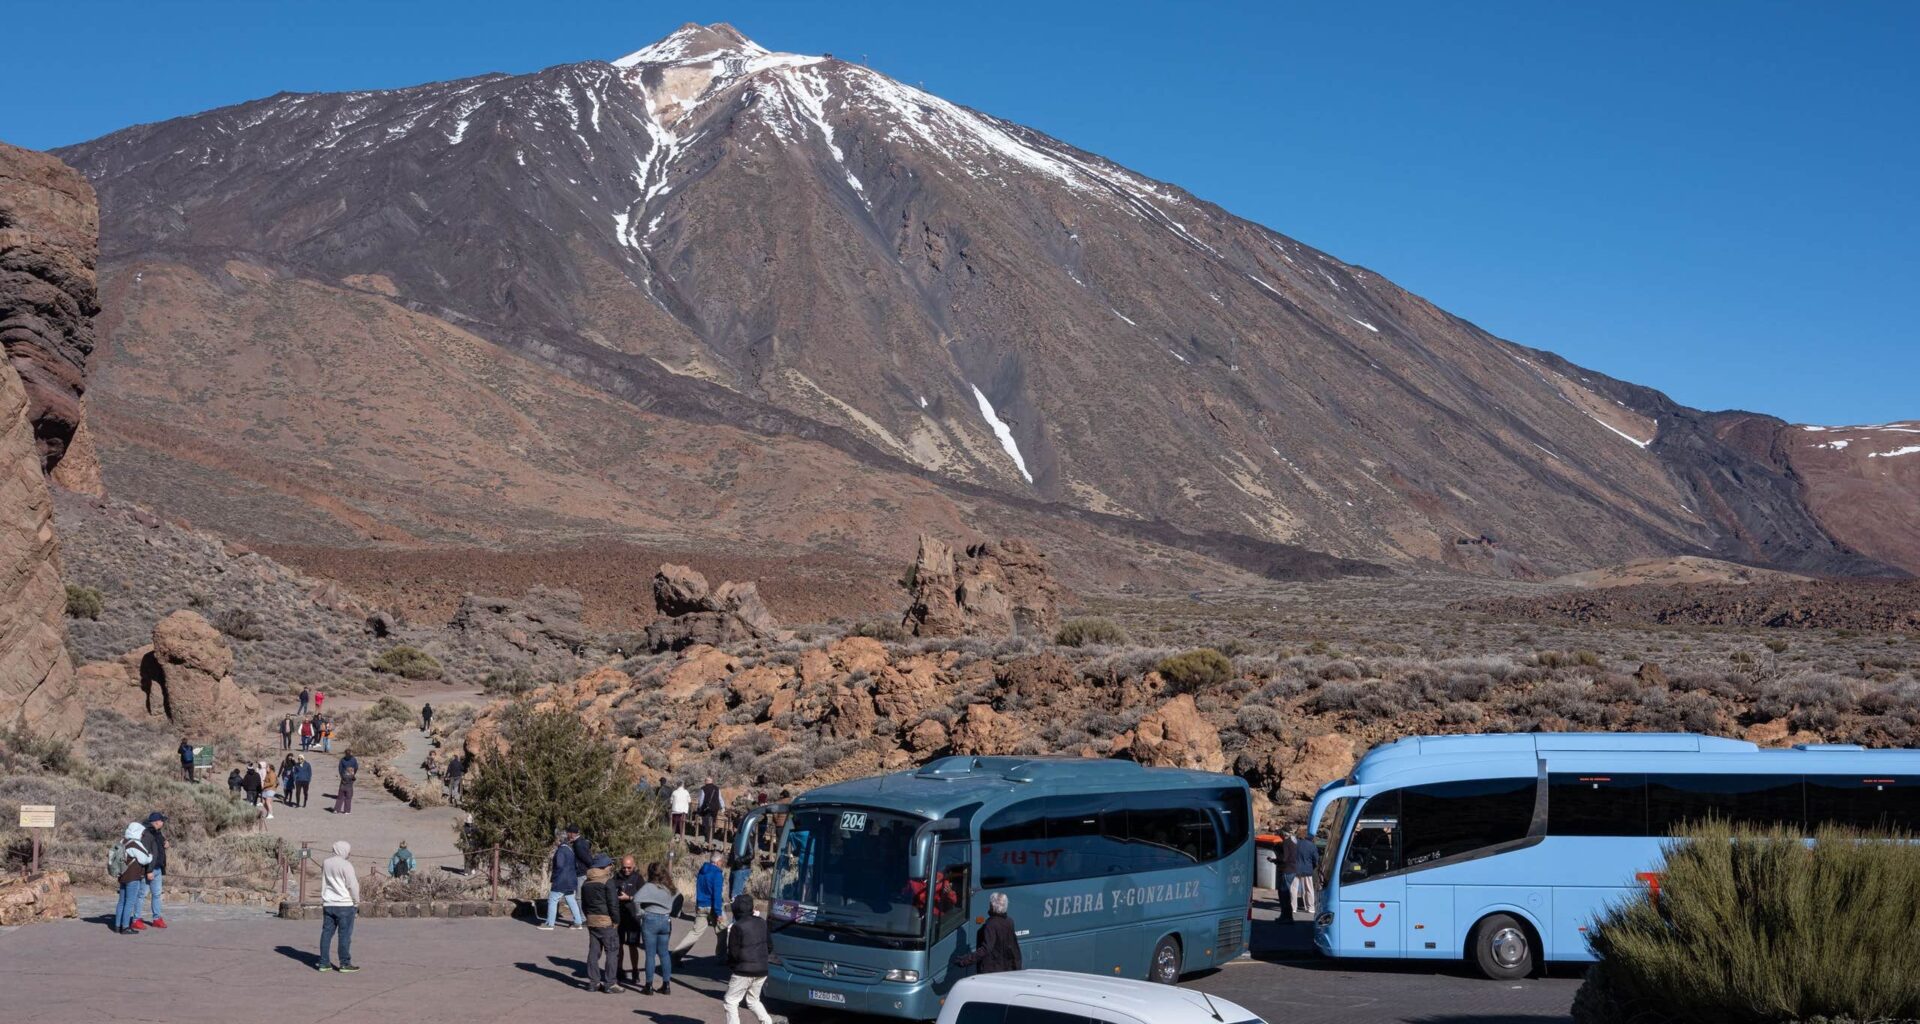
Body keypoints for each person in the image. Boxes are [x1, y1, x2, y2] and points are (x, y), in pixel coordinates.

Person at [723, 893, 773, 1024]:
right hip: (762, 969)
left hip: (743, 970)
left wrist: (733, 966)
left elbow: (733, 952)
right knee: (753, 1001)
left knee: (731, 1001)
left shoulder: (737, 926)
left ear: (736, 910)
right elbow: (770, 946)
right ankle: (767, 1022)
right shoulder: (762, 922)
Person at [673, 851, 727, 961]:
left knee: (695, 932)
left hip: (701, 905)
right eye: (722, 862)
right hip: (712, 906)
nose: (723, 864)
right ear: (718, 862)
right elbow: (716, 894)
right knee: (722, 931)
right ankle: (721, 957)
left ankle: (676, 955)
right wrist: (718, 913)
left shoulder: (702, 871)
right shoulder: (717, 874)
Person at [580, 854, 622, 993]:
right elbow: (613, 904)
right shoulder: (607, 882)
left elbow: (584, 904)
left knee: (593, 951)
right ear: (604, 866)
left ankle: (593, 982)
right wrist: (616, 921)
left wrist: (589, 917)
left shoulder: (586, 882)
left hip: (592, 920)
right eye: (610, 864)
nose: (611, 867)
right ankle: (610, 983)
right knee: (612, 951)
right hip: (606, 921)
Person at [317, 840, 361, 972]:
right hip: (344, 904)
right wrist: (356, 901)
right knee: (344, 934)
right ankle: (344, 963)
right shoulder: (346, 865)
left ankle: (324, 962)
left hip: (329, 902)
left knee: (326, 933)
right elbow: (352, 885)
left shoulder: (326, 862)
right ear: (344, 850)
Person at [953, 892, 1022, 974]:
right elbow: (1014, 948)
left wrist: (965, 960)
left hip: (992, 970)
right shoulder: (1009, 921)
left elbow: (986, 949)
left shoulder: (991, 924)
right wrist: (1017, 967)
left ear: (992, 906)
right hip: (1006, 969)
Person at [636, 862, 676, 995]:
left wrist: (640, 912)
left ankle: (649, 986)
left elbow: (636, 899)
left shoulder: (648, 887)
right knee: (664, 953)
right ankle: (666, 985)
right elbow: (678, 897)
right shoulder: (669, 887)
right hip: (665, 919)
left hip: (650, 919)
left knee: (650, 954)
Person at [112, 822, 154, 935]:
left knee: (121, 901)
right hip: (133, 876)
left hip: (122, 875)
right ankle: (125, 927)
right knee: (130, 902)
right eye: (141, 833)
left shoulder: (122, 842)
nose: (142, 835)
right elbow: (144, 859)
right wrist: (151, 856)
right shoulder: (135, 844)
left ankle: (117, 925)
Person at [541, 830, 581, 930]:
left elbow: (559, 864)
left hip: (561, 880)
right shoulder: (570, 850)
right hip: (571, 880)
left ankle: (550, 924)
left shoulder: (561, 850)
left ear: (559, 840)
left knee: (553, 899)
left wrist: (554, 877)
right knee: (571, 900)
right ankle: (578, 922)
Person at [615, 856, 645, 984]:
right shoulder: (616, 877)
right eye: (624, 867)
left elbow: (643, 896)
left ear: (634, 866)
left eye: (629, 867)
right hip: (620, 917)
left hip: (633, 917)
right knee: (619, 945)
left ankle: (635, 970)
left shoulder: (638, 878)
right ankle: (619, 969)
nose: (626, 870)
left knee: (633, 946)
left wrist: (629, 897)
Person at [138, 812, 169, 930]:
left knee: (156, 894)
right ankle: (136, 919)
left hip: (158, 868)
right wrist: (148, 870)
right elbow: (146, 852)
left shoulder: (157, 832)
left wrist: (165, 844)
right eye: (162, 820)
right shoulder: (146, 832)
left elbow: (159, 846)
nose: (163, 823)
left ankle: (157, 918)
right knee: (142, 895)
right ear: (156, 821)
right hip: (149, 869)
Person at [1290, 827, 1320, 915]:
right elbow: (1316, 859)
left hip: (1294, 869)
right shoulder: (1311, 845)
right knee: (1309, 889)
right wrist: (1313, 866)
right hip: (1307, 869)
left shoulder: (1294, 844)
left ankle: (1293, 907)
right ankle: (1310, 907)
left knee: (1293, 889)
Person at [697, 776, 725, 844]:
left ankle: (707, 838)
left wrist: (700, 808)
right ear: (712, 781)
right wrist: (723, 807)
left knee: (706, 823)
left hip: (706, 809)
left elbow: (701, 800)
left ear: (706, 781)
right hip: (715, 809)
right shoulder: (717, 788)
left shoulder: (703, 788)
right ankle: (711, 838)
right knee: (713, 823)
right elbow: (720, 798)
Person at [1278, 832, 1298, 917]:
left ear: (1283, 835)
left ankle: (1285, 916)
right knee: (1286, 893)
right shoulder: (1294, 842)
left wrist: (1276, 860)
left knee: (1283, 894)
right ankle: (1288, 916)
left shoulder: (1286, 842)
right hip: (1293, 869)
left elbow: (1285, 858)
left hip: (1287, 869)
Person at [334, 749, 358, 815]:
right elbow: (356, 767)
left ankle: (337, 809)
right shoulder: (353, 760)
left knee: (340, 795)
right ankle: (347, 811)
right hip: (350, 778)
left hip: (344, 777)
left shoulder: (342, 760)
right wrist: (353, 774)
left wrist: (342, 776)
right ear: (350, 753)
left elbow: (340, 769)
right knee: (348, 796)